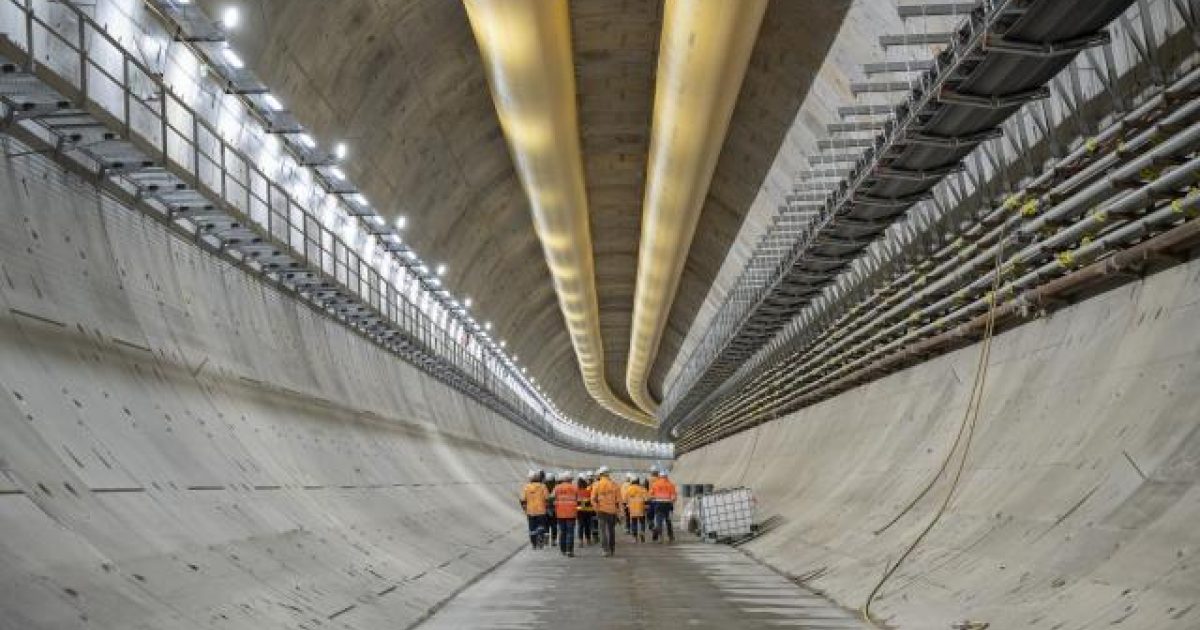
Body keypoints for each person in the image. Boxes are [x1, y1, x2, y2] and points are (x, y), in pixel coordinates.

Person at [591, 466, 621, 557]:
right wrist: (620, 512)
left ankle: (605, 550)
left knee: (603, 531)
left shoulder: (597, 484)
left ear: (600, 474)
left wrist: (596, 509)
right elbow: (619, 500)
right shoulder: (614, 484)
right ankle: (612, 549)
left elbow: (593, 499)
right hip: (612, 511)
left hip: (601, 510)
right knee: (611, 530)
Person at [551, 471, 578, 557]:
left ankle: (563, 550)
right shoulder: (574, 488)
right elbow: (578, 499)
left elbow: (551, 498)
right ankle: (569, 551)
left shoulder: (557, 488)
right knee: (570, 532)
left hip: (560, 513)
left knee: (562, 532)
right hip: (571, 513)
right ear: (570, 479)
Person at [520, 470, 548, 549]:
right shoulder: (543, 486)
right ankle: (540, 539)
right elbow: (547, 498)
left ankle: (534, 544)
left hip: (530, 511)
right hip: (541, 511)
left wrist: (525, 509)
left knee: (532, 528)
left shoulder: (526, 487)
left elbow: (522, 499)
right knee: (541, 526)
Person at [650, 469, 678, 543]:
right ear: (666, 476)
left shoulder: (655, 484)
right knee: (668, 521)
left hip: (658, 504)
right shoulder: (670, 484)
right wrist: (671, 501)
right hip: (668, 505)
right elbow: (674, 497)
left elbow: (651, 495)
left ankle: (660, 537)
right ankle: (670, 536)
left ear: (660, 476)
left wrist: (654, 498)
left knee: (659, 521)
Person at [624, 476, 649, 543]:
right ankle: (642, 532)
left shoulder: (628, 489)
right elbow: (646, 499)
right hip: (641, 507)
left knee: (634, 522)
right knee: (642, 521)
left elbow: (625, 499)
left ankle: (635, 537)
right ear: (638, 481)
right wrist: (647, 506)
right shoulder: (642, 489)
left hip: (632, 509)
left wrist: (626, 506)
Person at [576, 471, 595, 547]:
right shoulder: (589, 491)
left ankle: (580, 541)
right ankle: (588, 540)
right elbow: (591, 500)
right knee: (587, 526)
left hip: (579, 511)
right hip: (588, 511)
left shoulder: (576, 491)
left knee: (580, 526)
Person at [544, 471, 557, 547]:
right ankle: (553, 540)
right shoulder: (556, 487)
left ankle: (547, 539)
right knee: (554, 525)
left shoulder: (543, 487)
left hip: (546, 509)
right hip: (554, 509)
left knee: (546, 525)